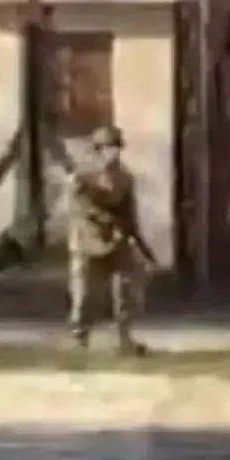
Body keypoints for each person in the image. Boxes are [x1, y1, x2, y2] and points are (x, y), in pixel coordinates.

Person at [66, 125, 158, 354]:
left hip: (115, 240)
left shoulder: (124, 178)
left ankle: (123, 337)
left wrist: (143, 247)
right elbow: (79, 207)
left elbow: (130, 214)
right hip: (86, 239)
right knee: (84, 293)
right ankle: (79, 338)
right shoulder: (82, 175)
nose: (114, 153)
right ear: (98, 149)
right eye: (109, 148)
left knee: (125, 287)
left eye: (117, 147)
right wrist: (105, 218)